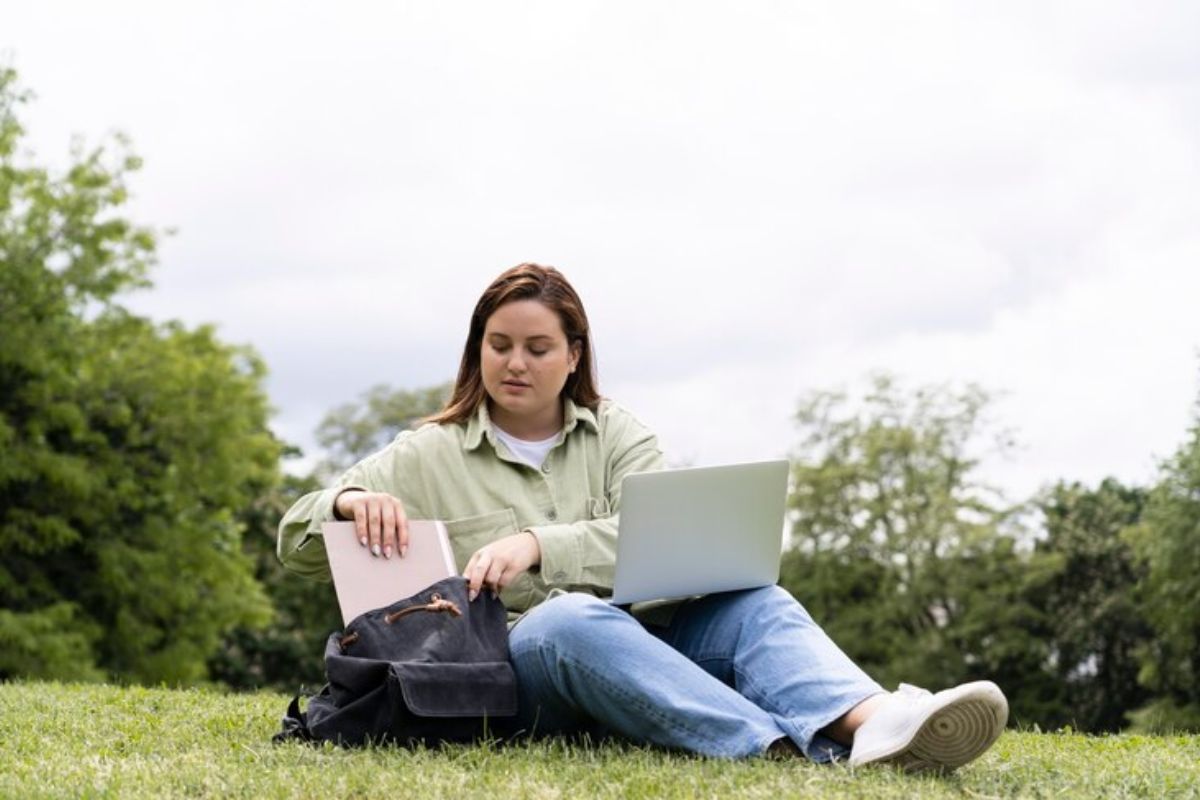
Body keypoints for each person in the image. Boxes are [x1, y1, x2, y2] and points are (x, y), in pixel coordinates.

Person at [278, 263, 1008, 768]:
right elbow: (295, 542)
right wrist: (344, 502)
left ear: (573, 355)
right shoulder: (425, 453)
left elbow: (664, 542)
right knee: (568, 621)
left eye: (537, 348)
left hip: (644, 645)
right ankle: (780, 749)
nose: (515, 364)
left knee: (756, 597)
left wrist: (540, 543)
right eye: (498, 346)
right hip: (513, 675)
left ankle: (878, 723)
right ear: (478, 351)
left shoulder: (620, 434)